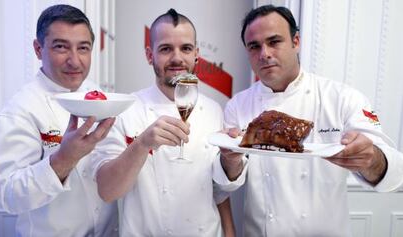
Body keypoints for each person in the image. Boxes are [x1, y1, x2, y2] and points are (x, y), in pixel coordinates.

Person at [218, 4, 403, 237]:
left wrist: (371, 158)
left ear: (296, 42)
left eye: (274, 41)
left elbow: (396, 173)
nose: (264, 53)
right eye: (254, 46)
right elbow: (227, 183)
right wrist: (230, 161)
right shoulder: (238, 105)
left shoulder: (342, 97)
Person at [91, 8, 236, 237]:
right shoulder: (125, 110)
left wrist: (230, 233)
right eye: (166, 49)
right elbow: (107, 191)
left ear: (197, 54)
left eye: (186, 48)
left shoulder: (213, 110)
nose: (177, 58)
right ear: (150, 55)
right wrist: (141, 144)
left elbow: (218, 193)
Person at [0, 4, 118, 237]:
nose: (75, 61)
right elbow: (6, 195)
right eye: (61, 47)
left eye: (83, 48)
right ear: (38, 49)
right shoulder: (20, 110)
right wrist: (63, 159)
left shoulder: (98, 95)